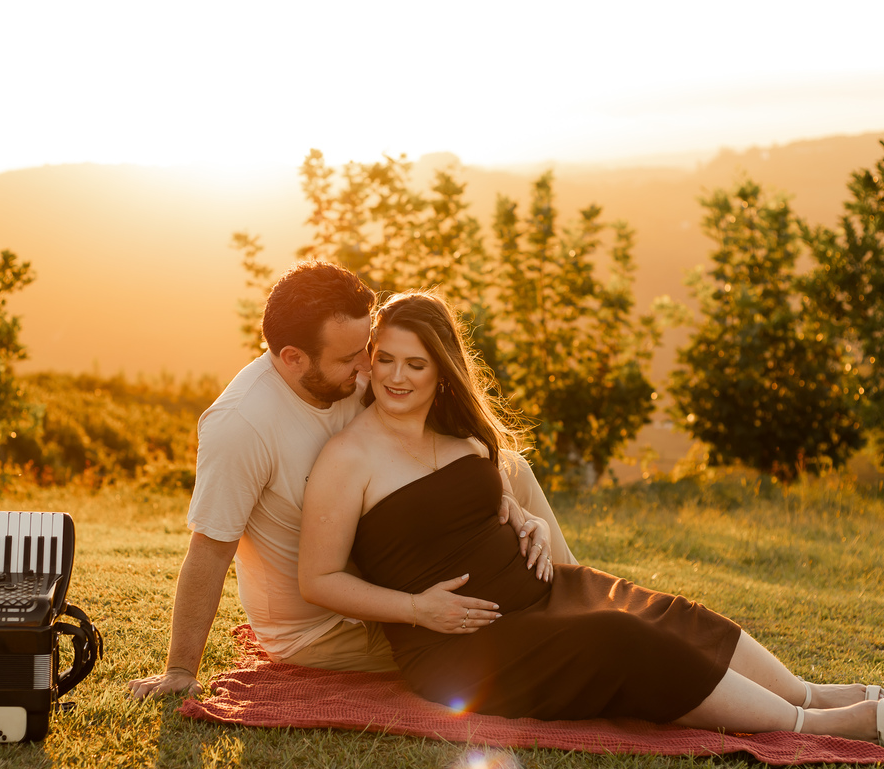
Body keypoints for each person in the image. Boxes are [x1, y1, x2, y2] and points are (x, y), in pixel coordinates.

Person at [298, 290, 884, 748]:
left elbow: (458, 506)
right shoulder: (347, 458)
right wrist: (416, 609)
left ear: (442, 371)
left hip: (544, 593)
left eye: (416, 364)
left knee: (664, 612)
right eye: (386, 361)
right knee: (622, 638)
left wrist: (517, 518)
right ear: (370, 360)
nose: (397, 378)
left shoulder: (456, 433)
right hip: (463, 647)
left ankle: (803, 689)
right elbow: (318, 579)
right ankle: (809, 725)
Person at [128, 262, 574, 699]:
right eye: (349, 357)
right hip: (328, 625)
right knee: (507, 621)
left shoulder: (348, 378)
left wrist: (507, 506)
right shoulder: (242, 425)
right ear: (293, 359)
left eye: (367, 347)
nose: (368, 365)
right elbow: (210, 548)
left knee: (512, 467)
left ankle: (578, 591)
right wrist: (181, 670)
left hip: (397, 568)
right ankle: (569, 621)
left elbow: (434, 454)